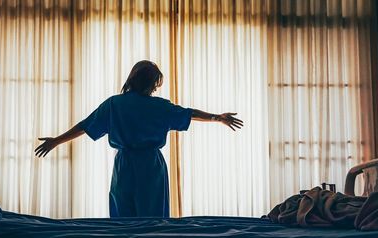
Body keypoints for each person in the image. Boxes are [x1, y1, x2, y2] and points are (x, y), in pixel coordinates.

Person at [35, 60, 243, 218]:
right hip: (151, 166)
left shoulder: (114, 104)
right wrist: (217, 118)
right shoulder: (160, 107)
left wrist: (56, 141)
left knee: (123, 216)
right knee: (152, 218)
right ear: (151, 83)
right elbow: (190, 114)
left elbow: (85, 126)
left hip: (124, 165)